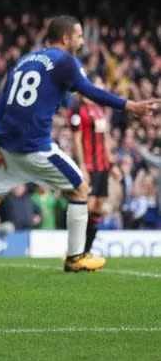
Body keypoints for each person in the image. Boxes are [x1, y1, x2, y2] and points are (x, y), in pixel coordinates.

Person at [0, 15, 159, 275]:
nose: (82, 41)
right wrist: (129, 105)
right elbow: (89, 90)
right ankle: (75, 258)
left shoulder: (24, 60)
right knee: (80, 188)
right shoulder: (65, 61)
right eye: (80, 36)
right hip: (35, 147)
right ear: (66, 38)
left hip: (7, 147)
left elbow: (2, 103)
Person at [68, 75, 112, 256]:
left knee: (98, 207)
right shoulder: (78, 108)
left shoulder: (99, 108)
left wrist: (112, 163)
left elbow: (104, 138)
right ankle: (75, 251)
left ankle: (87, 251)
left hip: (103, 165)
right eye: (98, 85)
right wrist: (82, 166)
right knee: (87, 206)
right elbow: (76, 140)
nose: (101, 89)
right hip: (90, 165)